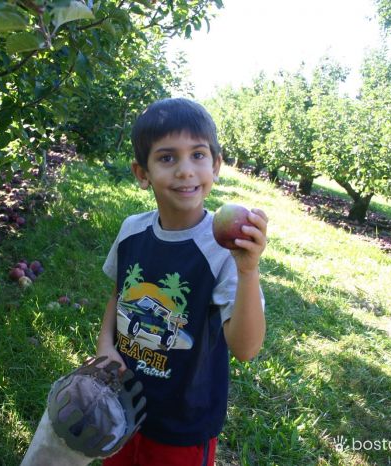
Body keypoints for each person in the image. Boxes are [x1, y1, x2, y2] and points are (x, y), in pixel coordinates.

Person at [96, 98, 268, 466]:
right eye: (167, 158)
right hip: (121, 404)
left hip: (183, 424)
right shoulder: (132, 231)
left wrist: (248, 270)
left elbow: (245, 348)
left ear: (216, 165)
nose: (186, 170)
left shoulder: (223, 250)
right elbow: (120, 295)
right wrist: (105, 344)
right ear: (142, 173)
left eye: (198, 155)